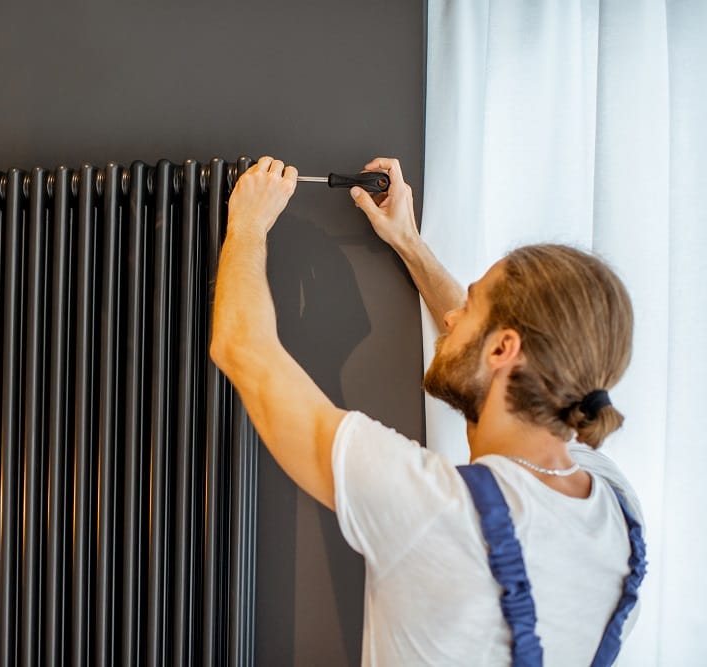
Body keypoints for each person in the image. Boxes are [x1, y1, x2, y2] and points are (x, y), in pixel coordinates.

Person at [209, 156, 645, 665]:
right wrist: (408, 242)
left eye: (470, 306)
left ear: (503, 348)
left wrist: (247, 224)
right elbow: (489, 353)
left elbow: (242, 349)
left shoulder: (437, 510)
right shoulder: (616, 506)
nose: (451, 318)